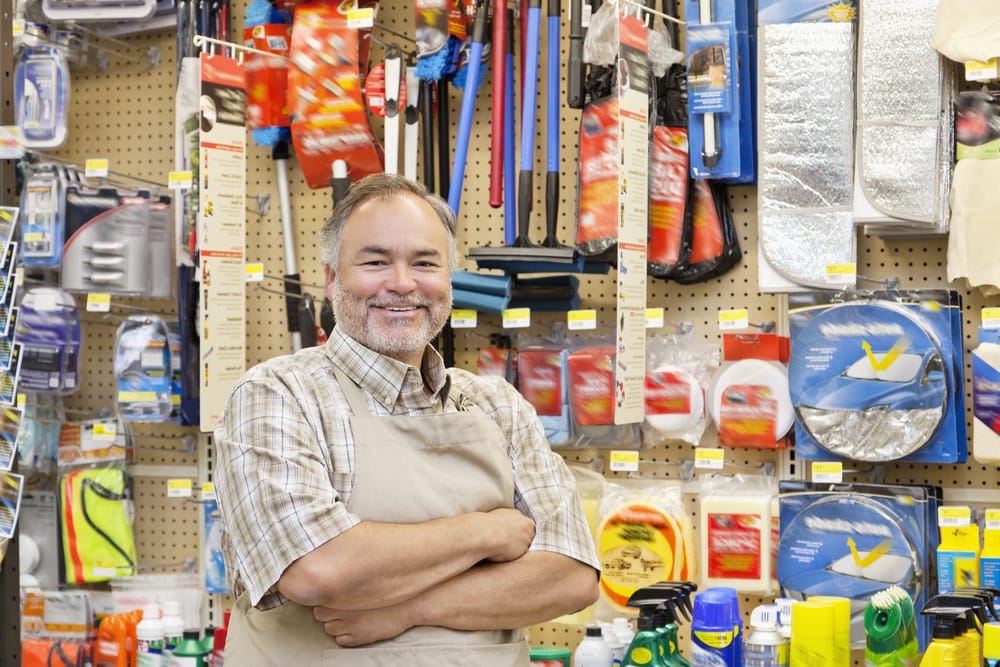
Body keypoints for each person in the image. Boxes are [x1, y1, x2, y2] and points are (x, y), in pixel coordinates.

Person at [213, 173, 601, 665]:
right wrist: (486, 534)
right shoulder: (277, 396)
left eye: (424, 263)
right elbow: (317, 568)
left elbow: (571, 577)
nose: (402, 283)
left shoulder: (500, 406)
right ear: (333, 279)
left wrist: (411, 608)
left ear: (448, 279)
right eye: (375, 262)